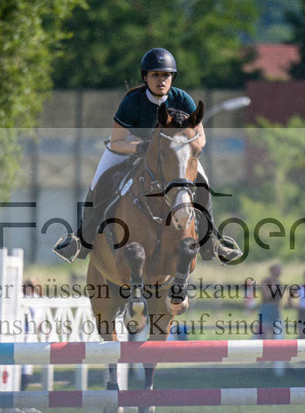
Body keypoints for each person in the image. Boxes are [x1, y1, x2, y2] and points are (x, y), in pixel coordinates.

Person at [53, 48, 242, 265]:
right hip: (131, 147)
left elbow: (200, 138)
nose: (161, 80)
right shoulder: (132, 102)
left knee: (203, 184)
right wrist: (143, 148)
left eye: (166, 75)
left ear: (172, 78)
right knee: (99, 181)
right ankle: (81, 240)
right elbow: (117, 142)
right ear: (145, 77)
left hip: (174, 153)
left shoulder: (183, 100)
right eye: (155, 75)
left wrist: (186, 148)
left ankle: (212, 242)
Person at [259, 264, 284, 340]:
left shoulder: (279, 283)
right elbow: (267, 296)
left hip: (275, 308)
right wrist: (273, 286)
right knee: (264, 330)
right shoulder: (265, 281)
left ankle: (272, 349)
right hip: (266, 308)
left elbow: (279, 299)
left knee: (274, 331)